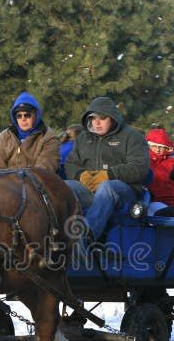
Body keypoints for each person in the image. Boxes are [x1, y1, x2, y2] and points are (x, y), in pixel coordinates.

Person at [64, 96, 150, 241]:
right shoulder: (83, 138)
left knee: (107, 187)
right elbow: (71, 163)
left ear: (112, 118)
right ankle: (57, 232)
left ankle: (87, 236)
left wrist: (109, 174)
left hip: (125, 193)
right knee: (64, 187)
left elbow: (140, 167)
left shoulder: (132, 136)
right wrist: (80, 175)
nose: (96, 123)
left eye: (102, 118)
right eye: (92, 118)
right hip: (91, 191)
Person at [0, 92, 59, 173]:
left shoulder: (48, 137)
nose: (23, 119)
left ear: (35, 115)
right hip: (7, 182)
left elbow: (44, 168)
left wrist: (21, 180)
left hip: (35, 183)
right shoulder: (6, 136)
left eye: (27, 115)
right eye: (19, 116)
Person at [144, 127, 174, 215]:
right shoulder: (144, 162)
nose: (157, 149)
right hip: (154, 201)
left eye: (160, 147)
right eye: (154, 146)